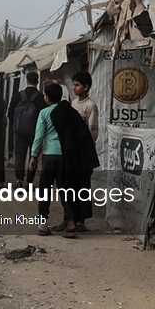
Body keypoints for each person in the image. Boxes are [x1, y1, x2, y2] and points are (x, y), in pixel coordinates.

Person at [29, 83, 78, 238]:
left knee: (45, 188)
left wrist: (33, 156)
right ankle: (70, 221)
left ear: (47, 97)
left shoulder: (44, 113)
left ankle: (43, 223)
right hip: (64, 155)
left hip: (50, 155)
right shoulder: (68, 112)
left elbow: (39, 137)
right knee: (64, 187)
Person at [49, 88, 100, 233]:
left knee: (71, 189)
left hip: (77, 162)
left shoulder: (88, 108)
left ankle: (76, 220)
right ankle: (70, 219)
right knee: (75, 189)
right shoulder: (73, 122)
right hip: (80, 161)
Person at [8, 71, 48, 188]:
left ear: (27, 81)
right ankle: (29, 182)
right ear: (37, 81)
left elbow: (10, 113)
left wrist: (16, 125)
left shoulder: (18, 96)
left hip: (20, 132)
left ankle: (19, 179)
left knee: (20, 155)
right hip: (35, 132)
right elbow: (43, 115)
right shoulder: (41, 97)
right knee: (33, 155)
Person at [71, 71, 99, 144]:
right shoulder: (73, 103)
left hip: (85, 145)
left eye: (77, 85)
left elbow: (92, 130)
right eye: (73, 85)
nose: (74, 88)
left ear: (86, 87)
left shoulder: (90, 105)